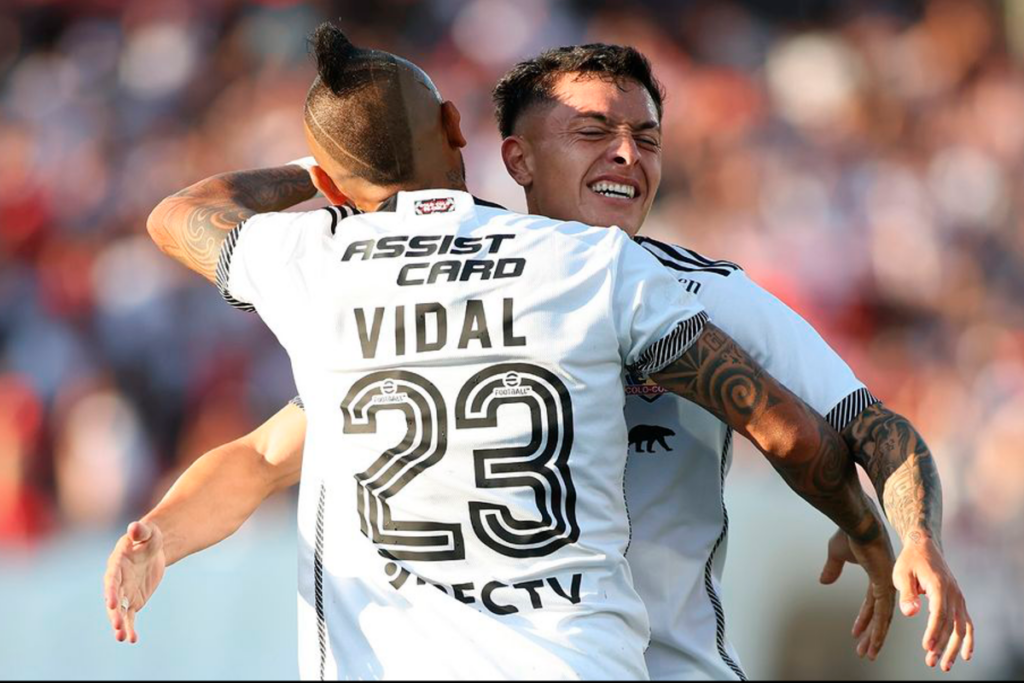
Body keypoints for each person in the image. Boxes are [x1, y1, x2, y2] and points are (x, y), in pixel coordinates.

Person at [106, 24, 890, 680]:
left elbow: (183, 219)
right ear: (458, 128)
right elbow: (787, 430)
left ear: (338, 185)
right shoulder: (589, 263)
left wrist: (320, 173)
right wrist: (860, 520)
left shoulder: (320, 267)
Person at [489, 44, 974, 678]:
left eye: (648, 139)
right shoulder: (442, 293)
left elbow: (875, 428)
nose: (628, 155)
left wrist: (918, 538)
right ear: (517, 157)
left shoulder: (710, 293)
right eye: (593, 132)